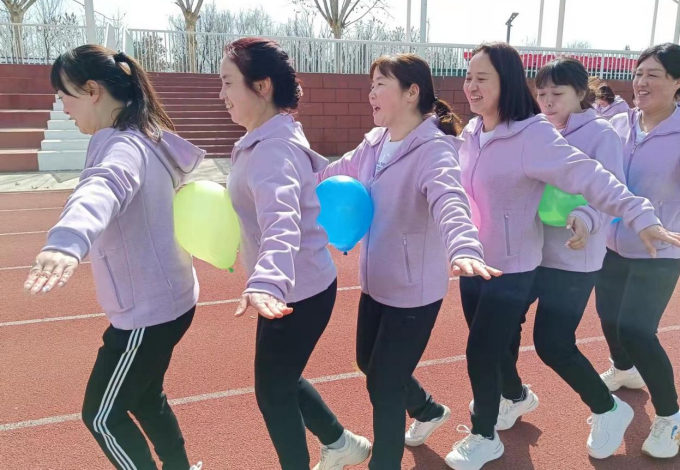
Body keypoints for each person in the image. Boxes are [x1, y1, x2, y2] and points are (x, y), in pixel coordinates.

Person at [443, 42, 680, 470]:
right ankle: (514, 395)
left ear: (581, 94)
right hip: (539, 251)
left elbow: (601, 183)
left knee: (563, 341)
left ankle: (630, 412)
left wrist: (588, 218)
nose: (548, 101)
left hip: (589, 256)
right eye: (541, 93)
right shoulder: (552, 128)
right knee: (500, 331)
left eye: (557, 93)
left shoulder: (598, 133)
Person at [24, 45, 204, 470]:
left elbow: (103, 186)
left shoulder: (123, 145)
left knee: (102, 417)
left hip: (147, 313)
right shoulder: (144, 136)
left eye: (64, 96)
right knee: (144, 396)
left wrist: (67, 240)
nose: (63, 108)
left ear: (93, 91)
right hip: (168, 301)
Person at [317, 53, 500, 470]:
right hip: (376, 282)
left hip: (414, 293)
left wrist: (464, 247)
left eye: (380, 84)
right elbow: (331, 174)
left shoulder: (434, 150)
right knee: (368, 363)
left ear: (411, 92)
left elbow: (451, 201)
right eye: (371, 85)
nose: (371, 94)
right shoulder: (375, 143)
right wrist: (287, 190)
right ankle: (428, 410)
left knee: (384, 384)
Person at [223, 37, 371, 470]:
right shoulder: (267, 138)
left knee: (273, 390)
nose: (221, 94)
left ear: (262, 86)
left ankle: (332, 448)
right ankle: (340, 443)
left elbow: (282, 221)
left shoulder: (273, 149)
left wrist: (266, 280)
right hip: (295, 286)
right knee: (279, 381)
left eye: (228, 83)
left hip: (295, 292)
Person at [596, 43, 680, 459]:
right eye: (638, 73)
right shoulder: (618, 123)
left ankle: (672, 418)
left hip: (661, 249)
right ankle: (624, 370)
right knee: (608, 318)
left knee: (636, 329)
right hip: (613, 242)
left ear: (679, 81)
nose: (641, 82)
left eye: (653, 74)